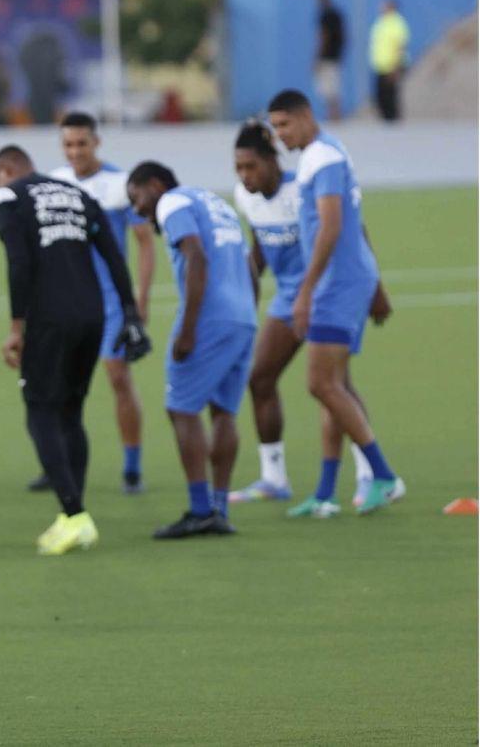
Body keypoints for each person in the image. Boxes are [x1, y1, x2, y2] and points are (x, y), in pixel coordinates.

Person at [0, 146, 150, 555]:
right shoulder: (77, 194)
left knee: (40, 410)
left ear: (4, 172)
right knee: (71, 412)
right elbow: (114, 255)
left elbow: (18, 261)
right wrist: (130, 314)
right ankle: (71, 517)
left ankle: (75, 515)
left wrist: (15, 326)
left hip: (49, 318)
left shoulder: (7, 196)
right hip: (93, 315)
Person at [229, 120, 387, 507]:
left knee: (335, 386)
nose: (245, 176)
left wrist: (376, 289)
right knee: (260, 377)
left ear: (271, 161)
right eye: (238, 169)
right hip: (288, 299)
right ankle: (273, 477)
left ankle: (369, 476)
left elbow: (352, 228)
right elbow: (261, 247)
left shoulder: (301, 186)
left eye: (251, 166)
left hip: (325, 292)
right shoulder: (244, 197)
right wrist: (245, 299)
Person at [267, 89, 404, 516]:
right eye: (274, 128)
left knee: (320, 384)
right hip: (348, 278)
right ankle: (326, 492)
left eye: (284, 124)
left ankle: (383, 474)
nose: (279, 136)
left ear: (306, 116)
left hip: (336, 283)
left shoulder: (322, 157)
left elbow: (332, 225)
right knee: (334, 386)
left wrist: (305, 291)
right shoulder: (325, 153)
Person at [126, 162, 255, 539]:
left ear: (155, 184)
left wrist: (188, 329)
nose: (136, 209)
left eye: (136, 198)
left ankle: (200, 510)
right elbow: (248, 266)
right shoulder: (218, 206)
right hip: (243, 316)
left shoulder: (172, 202)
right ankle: (219, 508)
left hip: (209, 317)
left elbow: (195, 257)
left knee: (181, 407)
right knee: (224, 412)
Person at [44, 112, 155, 494]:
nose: (75, 152)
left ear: (97, 143)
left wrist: (139, 300)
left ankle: (132, 466)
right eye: (68, 145)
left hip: (109, 300)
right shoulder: (55, 184)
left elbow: (143, 244)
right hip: (66, 300)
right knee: (58, 384)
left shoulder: (118, 184)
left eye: (82, 144)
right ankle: (57, 463)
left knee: (118, 378)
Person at [369, 0, 409, 122]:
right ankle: (386, 122)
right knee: (381, 97)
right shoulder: (381, 22)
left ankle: (394, 123)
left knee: (390, 96)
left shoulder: (397, 23)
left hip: (392, 66)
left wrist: (396, 67)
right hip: (381, 66)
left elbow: (400, 46)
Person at [314, 0, 345, 121]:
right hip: (336, 55)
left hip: (327, 56)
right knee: (334, 85)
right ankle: (334, 113)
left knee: (328, 86)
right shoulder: (337, 14)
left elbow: (323, 37)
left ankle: (333, 113)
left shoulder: (325, 15)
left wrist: (317, 56)